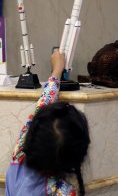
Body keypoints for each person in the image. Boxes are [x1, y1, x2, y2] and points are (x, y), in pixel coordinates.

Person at [6, 50, 91, 196]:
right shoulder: (62, 192)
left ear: (32, 137)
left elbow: (41, 108)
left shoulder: (19, 158)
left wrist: (56, 70)